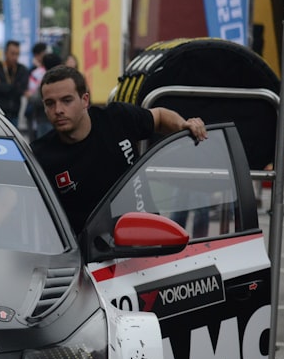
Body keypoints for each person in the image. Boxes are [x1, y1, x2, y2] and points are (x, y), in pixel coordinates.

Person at [32, 65, 208, 234]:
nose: (58, 110)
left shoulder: (117, 118)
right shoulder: (41, 156)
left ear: (84, 100)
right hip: (90, 256)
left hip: (148, 235)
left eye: (66, 100)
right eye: (50, 103)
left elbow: (160, 116)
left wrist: (183, 125)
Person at [0, 40, 28, 127]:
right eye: (12, 53)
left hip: (14, 114)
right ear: (5, 53)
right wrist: (13, 86)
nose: (15, 57)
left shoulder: (22, 69)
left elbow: (21, 90)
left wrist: (2, 85)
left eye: (17, 54)